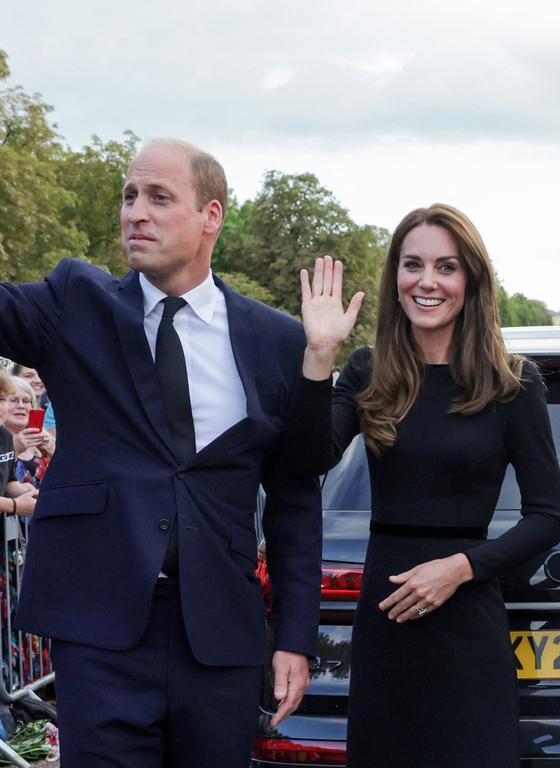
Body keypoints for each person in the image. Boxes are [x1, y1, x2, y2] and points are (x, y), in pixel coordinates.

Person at [0, 138, 323, 767]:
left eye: (158, 197)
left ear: (211, 216)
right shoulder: (75, 303)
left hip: (221, 632)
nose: (134, 213)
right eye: (128, 196)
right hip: (100, 628)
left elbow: (294, 500)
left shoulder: (278, 341)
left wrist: (294, 638)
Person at [297, 203, 560, 766]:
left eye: (446, 267)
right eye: (413, 264)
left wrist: (459, 568)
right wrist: (321, 354)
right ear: (395, 276)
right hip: (387, 615)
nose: (428, 281)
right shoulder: (371, 370)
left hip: (469, 616)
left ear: (470, 280)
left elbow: (547, 517)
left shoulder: (514, 383)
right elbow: (306, 459)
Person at [5, 376, 54, 488]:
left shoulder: (45, 441)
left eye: (26, 401)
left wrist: (54, 453)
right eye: (13, 400)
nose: (21, 406)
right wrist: (14, 450)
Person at [0, 371, 37, 516]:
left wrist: (29, 492)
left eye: (2, 399)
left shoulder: (5, 435)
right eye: (14, 400)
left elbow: (8, 482)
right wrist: (14, 505)